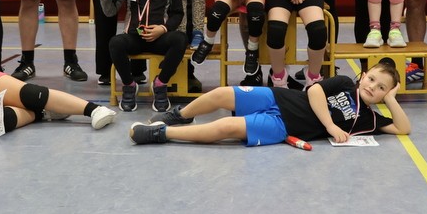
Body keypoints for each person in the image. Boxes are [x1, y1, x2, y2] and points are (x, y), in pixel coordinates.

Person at [129, 58, 410, 145]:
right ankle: (181, 115)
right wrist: (331, 126)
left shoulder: (369, 119)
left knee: (227, 127)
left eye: (381, 88)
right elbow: (314, 92)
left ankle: (162, 133)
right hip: (278, 97)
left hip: (282, 126)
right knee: (221, 94)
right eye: (372, 79)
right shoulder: (346, 82)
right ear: (363, 75)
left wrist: (392, 99)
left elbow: (402, 128)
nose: (373, 87)